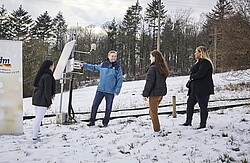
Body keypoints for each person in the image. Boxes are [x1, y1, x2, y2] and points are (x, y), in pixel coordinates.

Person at [82, 50, 123, 127]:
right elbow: (93, 67)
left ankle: (105, 122)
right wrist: (84, 65)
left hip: (110, 91)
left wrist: (117, 91)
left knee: (108, 107)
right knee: (95, 105)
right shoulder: (103, 64)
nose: (113, 58)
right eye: (112, 56)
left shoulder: (118, 67)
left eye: (115, 56)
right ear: (108, 56)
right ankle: (92, 121)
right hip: (100, 90)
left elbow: (119, 80)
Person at [182, 46, 214, 129]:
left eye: (196, 52)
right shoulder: (198, 62)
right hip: (194, 89)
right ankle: (188, 121)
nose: (195, 53)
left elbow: (201, 74)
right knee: (190, 104)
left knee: (203, 106)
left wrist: (192, 76)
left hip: (203, 89)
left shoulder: (205, 63)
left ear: (201, 53)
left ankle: (203, 124)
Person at [142, 50, 170, 134]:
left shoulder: (152, 69)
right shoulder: (162, 67)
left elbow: (149, 83)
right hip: (161, 94)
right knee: (152, 111)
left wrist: (145, 94)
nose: (149, 58)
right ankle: (156, 128)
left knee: (153, 112)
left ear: (154, 57)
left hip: (154, 94)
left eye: (150, 56)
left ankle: (157, 130)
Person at [32, 60, 55, 140]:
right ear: (50, 66)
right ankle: (34, 136)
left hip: (36, 98)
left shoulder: (40, 74)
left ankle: (37, 132)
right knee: (38, 119)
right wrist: (49, 102)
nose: (53, 67)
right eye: (53, 66)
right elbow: (47, 91)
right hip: (42, 100)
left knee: (37, 118)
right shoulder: (48, 76)